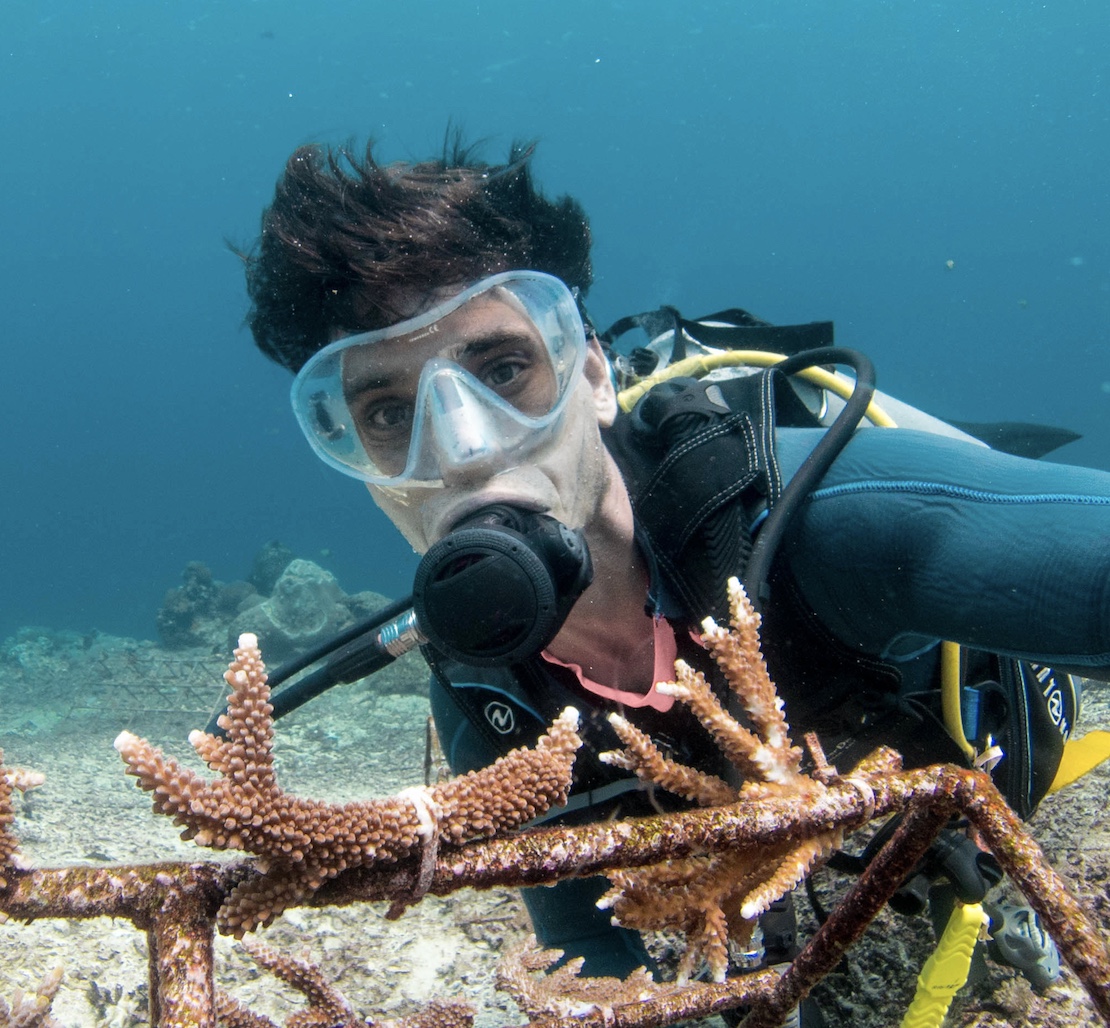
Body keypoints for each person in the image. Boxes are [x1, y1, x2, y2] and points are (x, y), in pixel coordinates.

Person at [241, 137, 1110, 1016]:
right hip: (802, 819)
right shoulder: (486, 696)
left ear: (589, 373)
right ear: (355, 460)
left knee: (970, 848)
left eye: (504, 370)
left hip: (984, 728)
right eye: (390, 413)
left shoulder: (821, 518)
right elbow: (582, 940)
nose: (466, 448)